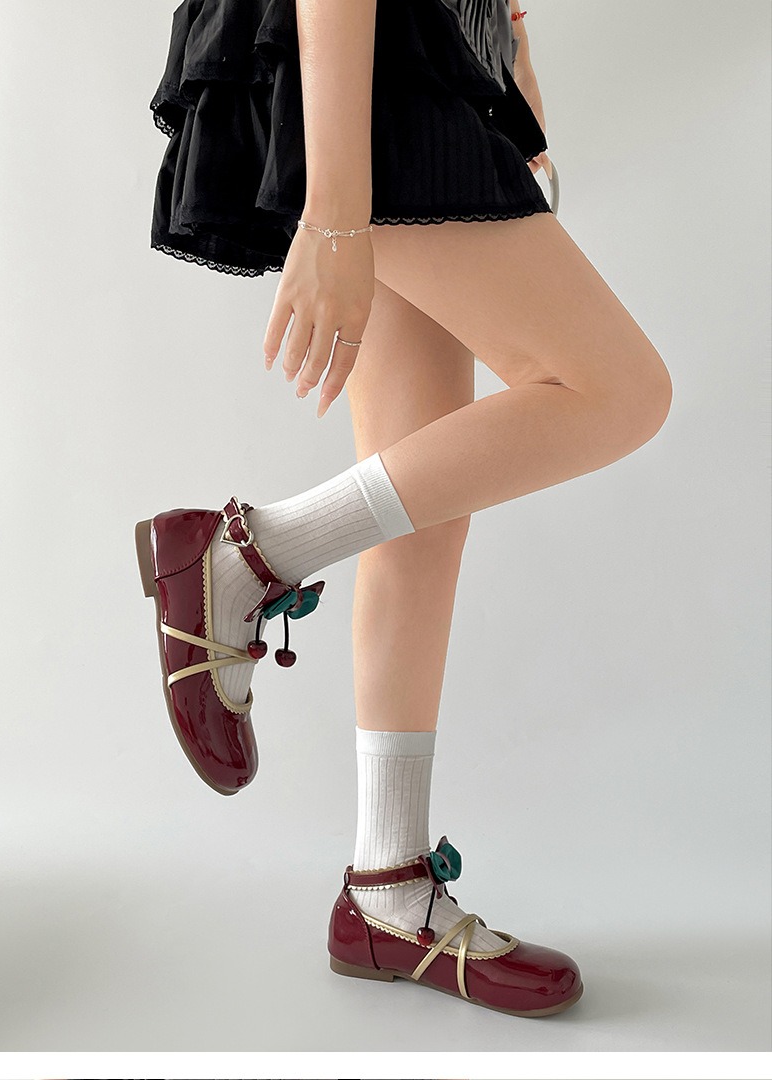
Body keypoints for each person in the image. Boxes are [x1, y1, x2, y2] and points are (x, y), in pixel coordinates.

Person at [137, 0, 673, 1019]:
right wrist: (336, 212)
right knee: (617, 390)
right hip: (358, 52)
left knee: (422, 499)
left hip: (421, 56)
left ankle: (388, 891)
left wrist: (504, 43)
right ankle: (246, 556)